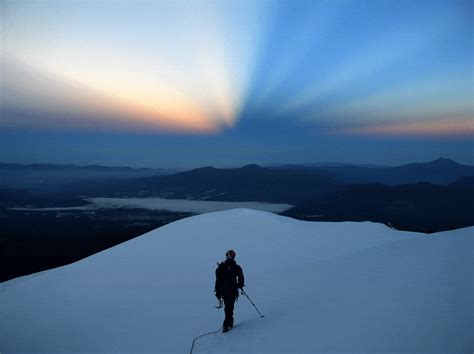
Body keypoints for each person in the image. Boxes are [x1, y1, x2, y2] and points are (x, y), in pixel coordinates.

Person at [214, 249, 245, 332]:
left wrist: (218, 291)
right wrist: (240, 285)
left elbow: (218, 280)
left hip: (227, 290)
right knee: (229, 306)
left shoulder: (222, 267)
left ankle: (228, 323)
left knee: (229, 306)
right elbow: (241, 277)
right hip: (231, 290)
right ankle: (228, 323)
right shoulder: (236, 267)